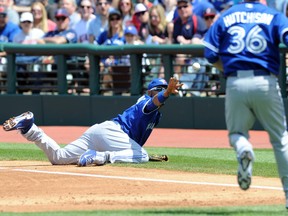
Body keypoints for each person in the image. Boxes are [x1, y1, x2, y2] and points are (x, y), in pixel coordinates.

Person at [203, 0, 288, 208]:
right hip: (265, 81)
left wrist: (227, 68)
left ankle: (243, 149)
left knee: (237, 134)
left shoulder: (226, 15)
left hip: (235, 82)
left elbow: (210, 53)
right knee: (281, 139)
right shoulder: (273, 15)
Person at [2, 77, 183, 166]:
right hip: (113, 133)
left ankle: (30, 128)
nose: (162, 91)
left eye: (164, 89)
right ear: (151, 91)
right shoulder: (146, 102)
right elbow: (154, 102)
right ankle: (98, 157)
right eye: (159, 89)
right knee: (142, 155)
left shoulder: (156, 114)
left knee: (58, 158)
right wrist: (166, 93)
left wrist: (132, 154)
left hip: (101, 132)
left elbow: (133, 143)